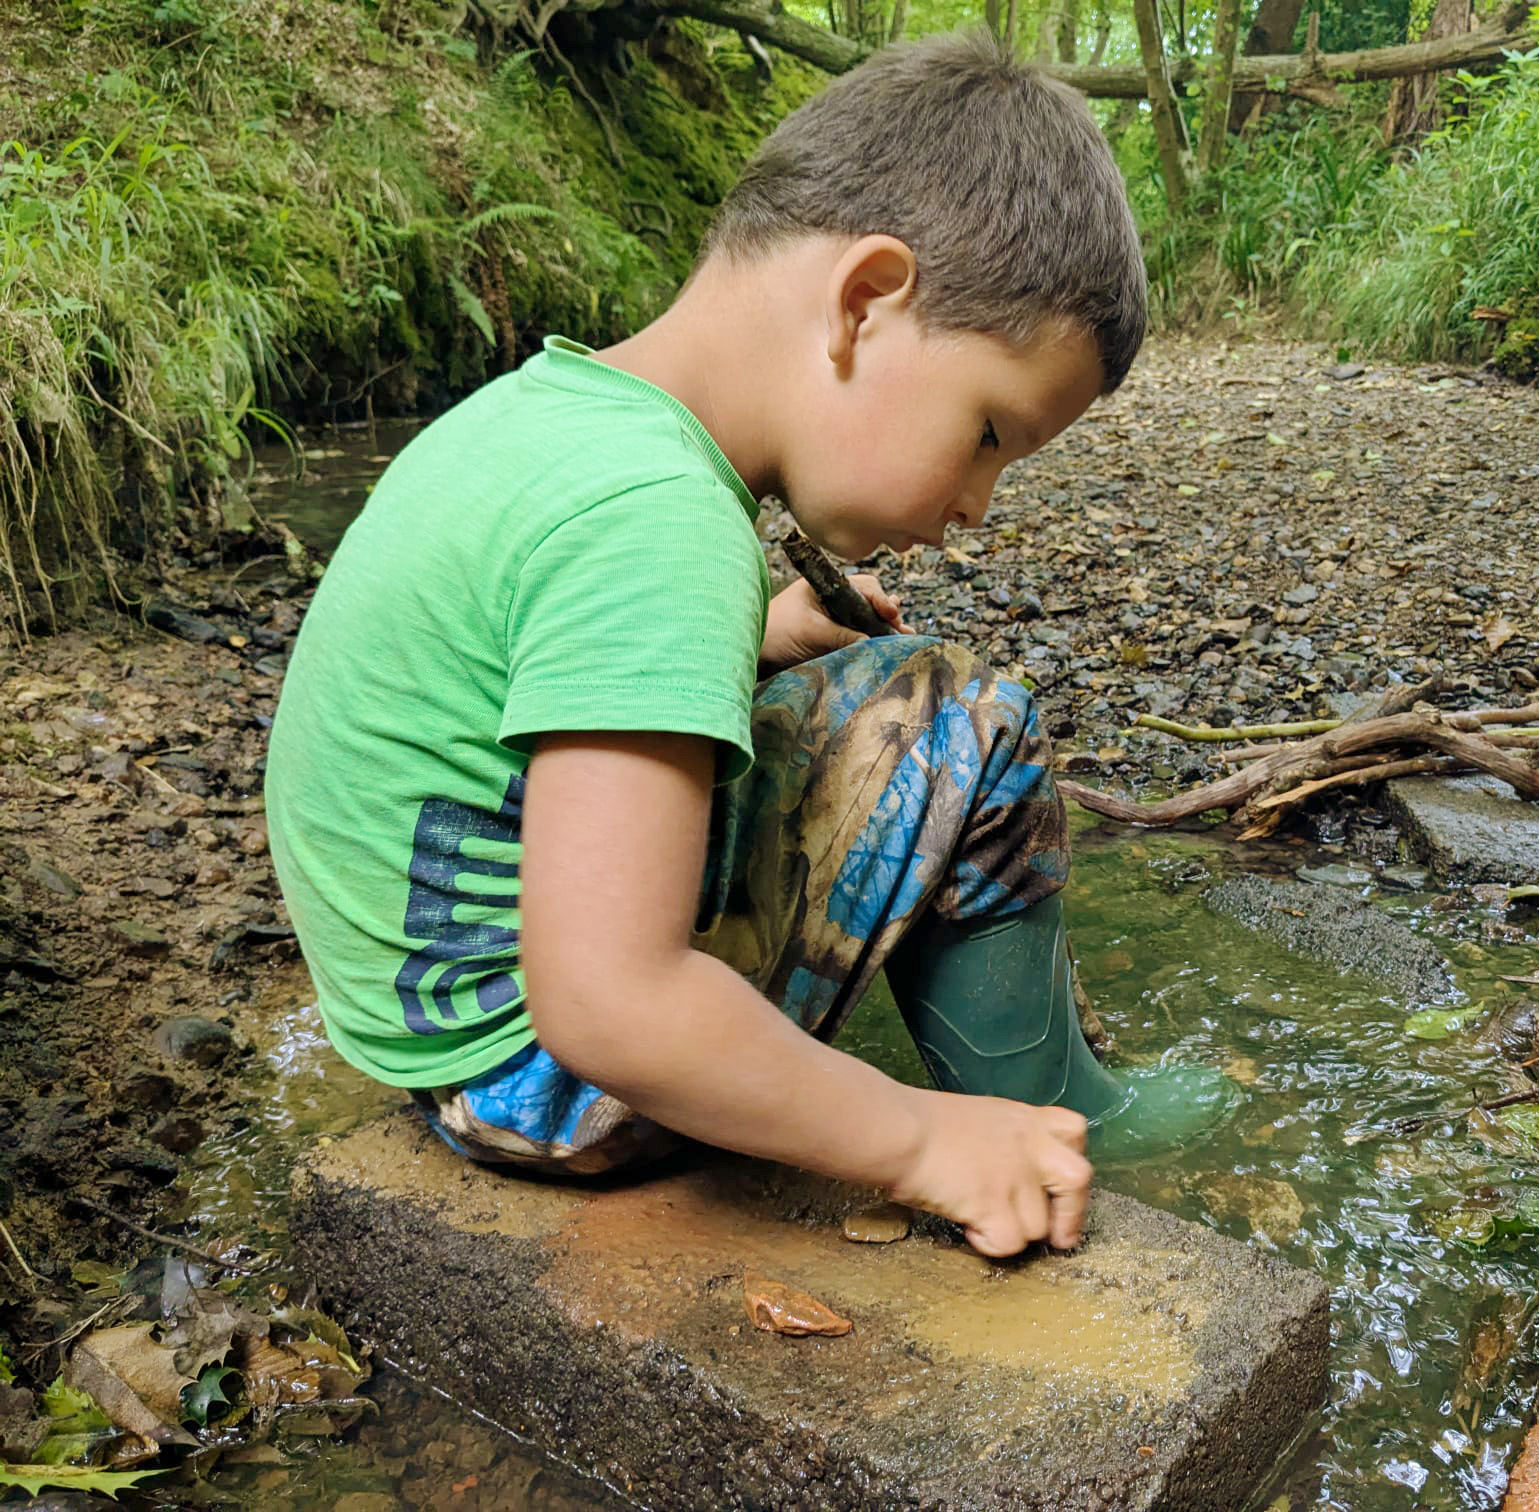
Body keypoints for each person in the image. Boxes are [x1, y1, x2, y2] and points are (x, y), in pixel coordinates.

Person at [264, 30, 1234, 1262]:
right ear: (868, 302)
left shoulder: (553, 422)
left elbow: (525, 683)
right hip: (544, 1084)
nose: (977, 507)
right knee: (964, 714)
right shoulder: (662, 522)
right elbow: (607, 1001)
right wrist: (918, 1142)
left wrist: (760, 637)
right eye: (990, 433)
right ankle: (1041, 1113)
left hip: (429, 1025)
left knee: (858, 692)